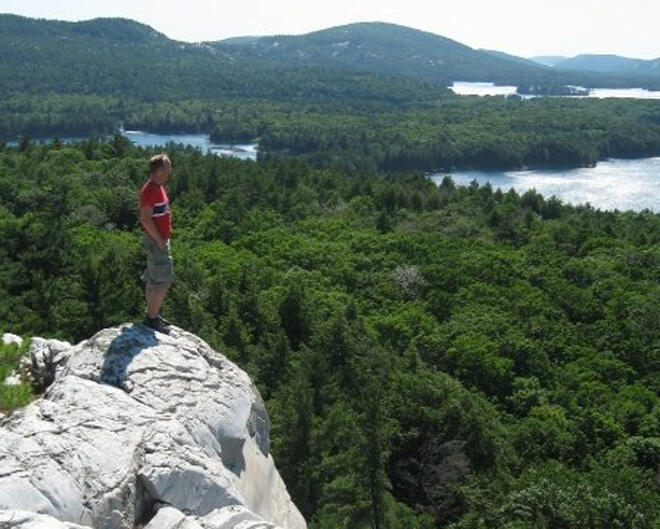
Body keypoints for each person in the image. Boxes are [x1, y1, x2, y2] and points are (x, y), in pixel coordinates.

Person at [139, 153, 174, 334]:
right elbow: (145, 219)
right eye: (167, 167)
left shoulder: (158, 187)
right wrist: (160, 240)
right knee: (162, 280)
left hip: (157, 240)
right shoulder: (150, 190)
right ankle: (151, 319)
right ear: (159, 170)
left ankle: (152, 315)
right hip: (156, 242)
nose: (170, 170)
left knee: (154, 279)